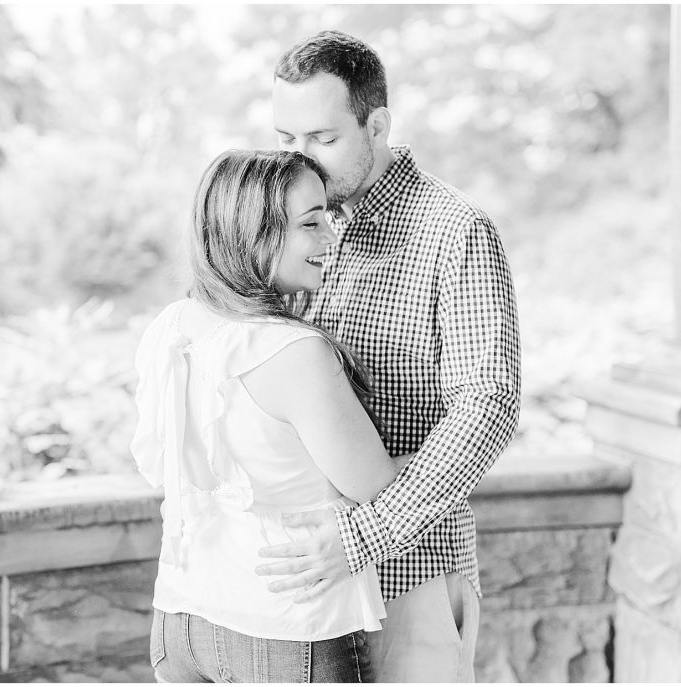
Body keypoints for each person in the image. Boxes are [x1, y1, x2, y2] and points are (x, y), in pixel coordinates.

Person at [254, 30, 522, 682]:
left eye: (322, 138)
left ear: (378, 124)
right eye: (286, 139)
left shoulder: (455, 230)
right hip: (311, 587)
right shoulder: (290, 227)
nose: (301, 159)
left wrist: (364, 535)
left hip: (410, 574)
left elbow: (488, 408)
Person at [131, 149, 409, 682]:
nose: (332, 238)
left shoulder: (169, 328)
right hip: (286, 631)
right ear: (253, 233)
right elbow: (376, 485)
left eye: (328, 218)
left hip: (181, 620)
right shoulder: (291, 350)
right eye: (311, 224)